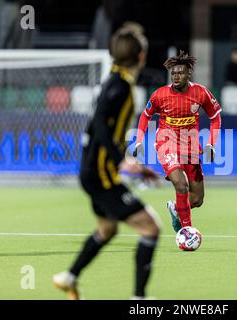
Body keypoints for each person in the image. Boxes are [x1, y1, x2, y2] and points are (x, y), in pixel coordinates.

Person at [53, 22, 161, 300]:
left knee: (107, 229)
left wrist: (127, 160)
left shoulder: (113, 79)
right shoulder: (121, 86)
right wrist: (120, 161)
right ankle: (139, 299)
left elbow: (102, 126)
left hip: (92, 171)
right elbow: (100, 122)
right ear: (140, 56)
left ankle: (69, 277)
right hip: (101, 175)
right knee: (151, 228)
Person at [133, 50, 222, 233]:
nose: (176, 76)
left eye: (180, 72)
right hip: (166, 143)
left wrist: (211, 143)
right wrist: (139, 141)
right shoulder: (160, 95)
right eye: (173, 73)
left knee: (197, 199)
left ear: (189, 73)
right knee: (180, 184)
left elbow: (215, 118)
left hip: (190, 145)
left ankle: (176, 208)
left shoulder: (200, 92)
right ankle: (186, 230)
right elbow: (145, 116)